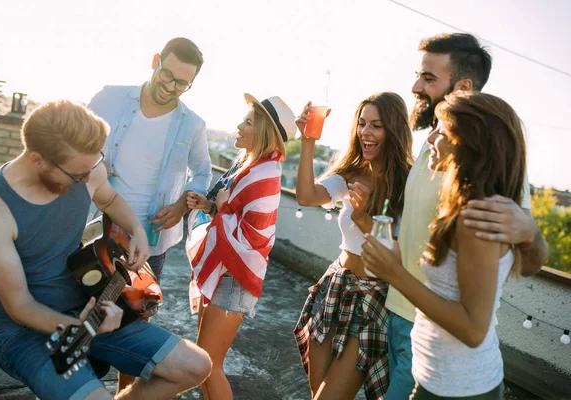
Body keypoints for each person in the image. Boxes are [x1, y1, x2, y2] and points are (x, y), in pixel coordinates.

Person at [0, 100, 211, 400]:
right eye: (78, 175)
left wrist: (137, 231)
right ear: (37, 160)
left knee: (195, 365)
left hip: (87, 307)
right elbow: (19, 306)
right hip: (21, 332)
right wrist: (84, 326)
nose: (88, 179)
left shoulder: (85, 168)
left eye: (93, 166)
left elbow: (108, 199)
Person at [366, 33, 549, 399]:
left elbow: (524, 262)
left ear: (463, 87)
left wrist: (530, 231)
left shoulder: (480, 173)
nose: (416, 85)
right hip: (407, 319)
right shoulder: (436, 142)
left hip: (447, 354)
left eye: (429, 77)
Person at [293, 93, 414, 399]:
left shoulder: (408, 183)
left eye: (376, 125)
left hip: (373, 299)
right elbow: (307, 196)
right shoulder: (351, 173)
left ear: (394, 130)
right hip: (336, 286)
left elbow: (401, 251)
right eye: (362, 123)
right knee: (316, 392)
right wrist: (308, 141)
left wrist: (362, 219)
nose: (365, 132)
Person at [185, 93, 297, 400]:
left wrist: (220, 209)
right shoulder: (253, 168)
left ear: (262, 132)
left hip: (234, 277)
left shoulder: (264, 176)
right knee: (202, 363)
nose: (239, 126)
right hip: (226, 272)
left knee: (208, 365)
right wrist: (211, 206)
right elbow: (235, 214)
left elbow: (252, 241)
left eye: (247, 122)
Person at [87, 37, 212, 283]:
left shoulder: (194, 125)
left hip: (149, 243)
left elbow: (202, 173)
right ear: (156, 61)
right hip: (93, 228)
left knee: (134, 314)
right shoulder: (108, 98)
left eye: (181, 83)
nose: (170, 87)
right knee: (79, 306)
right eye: (167, 75)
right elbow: (74, 142)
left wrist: (181, 207)